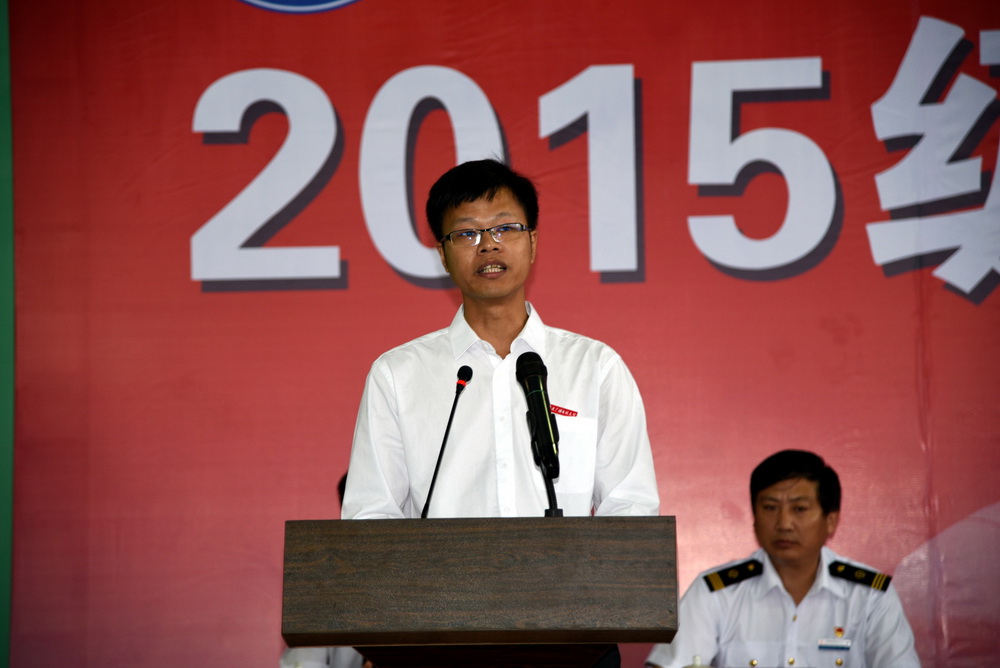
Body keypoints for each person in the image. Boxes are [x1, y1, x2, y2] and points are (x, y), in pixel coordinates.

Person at [342, 157, 659, 519]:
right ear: (443, 255)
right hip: (444, 561)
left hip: (563, 560)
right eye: (467, 234)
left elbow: (631, 510)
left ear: (532, 242)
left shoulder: (596, 368)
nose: (488, 246)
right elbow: (371, 516)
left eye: (505, 228)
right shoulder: (397, 376)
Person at [647, 450, 920, 668]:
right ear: (754, 518)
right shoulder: (716, 592)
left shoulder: (871, 595)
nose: (784, 523)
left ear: (830, 520)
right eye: (770, 507)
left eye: (799, 509)